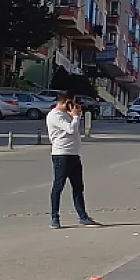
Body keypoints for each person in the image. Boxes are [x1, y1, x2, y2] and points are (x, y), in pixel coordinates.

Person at [46, 92, 99, 229]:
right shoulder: (55, 115)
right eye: (71, 103)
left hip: (74, 154)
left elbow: (74, 129)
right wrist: (75, 116)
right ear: (65, 102)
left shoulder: (67, 115)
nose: (73, 106)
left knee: (78, 187)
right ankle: (54, 217)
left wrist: (77, 115)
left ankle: (83, 216)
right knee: (58, 186)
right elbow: (70, 129)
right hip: (61, 155)